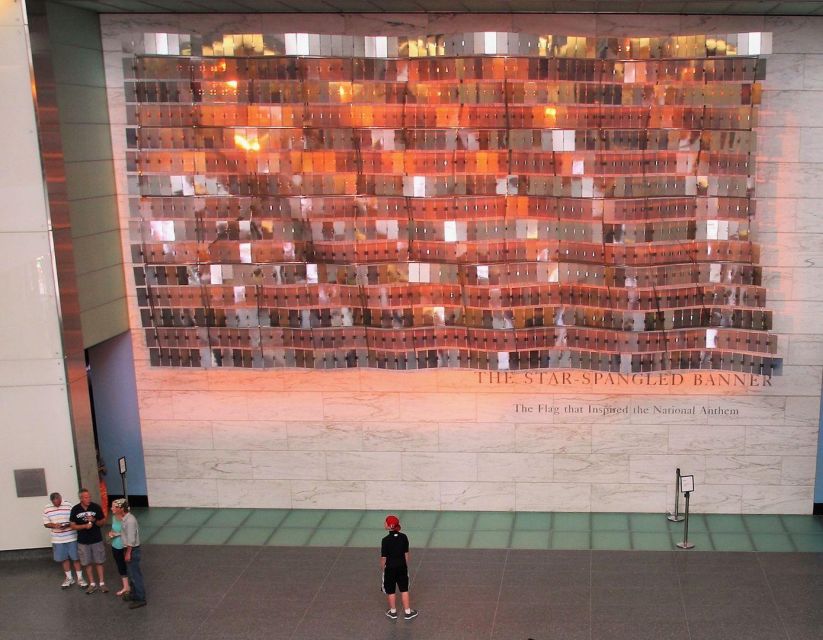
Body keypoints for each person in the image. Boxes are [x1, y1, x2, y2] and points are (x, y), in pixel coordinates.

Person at [42, 492, 87, 589]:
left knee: (76, 558)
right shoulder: (47, 508)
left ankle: (80, 578)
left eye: (58, 502)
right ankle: (69, 578)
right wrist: (54, 525)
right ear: (51, 501)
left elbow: (74, 519)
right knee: (64, 559)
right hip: (57, 539)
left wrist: (67, 525)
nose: (56, 505)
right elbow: (46, 524)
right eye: (55, 503)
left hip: (71, 537)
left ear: (60, 498)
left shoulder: (68, 505)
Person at [70, 488, 107, 594]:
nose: (89, 499)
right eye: (86, 497)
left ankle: (102, 583)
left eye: (89, 496)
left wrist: (95, 520)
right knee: (87, 563)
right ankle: (92, 584)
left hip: (96, 539)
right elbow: (72, 526)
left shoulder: (96, 507)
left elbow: (102, 523)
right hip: (83, 541)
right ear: (81, 498)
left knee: (99, 561)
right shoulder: (75, 509)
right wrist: (84, 526)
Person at [380, 515, 418, 621]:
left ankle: (393, 612)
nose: (384, 524)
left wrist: (383, 567)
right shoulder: (404, 537)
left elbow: (383, 557)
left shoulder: (385, 540)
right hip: (402, 567)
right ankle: (408, 612)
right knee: (404, 589)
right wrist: (404, 565)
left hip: (390, 568)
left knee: (391, 590)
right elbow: (406, 554)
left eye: (385, 522)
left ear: (389, 526)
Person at [119, 500, 146, 609]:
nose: (113, 509)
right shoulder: (126, 519)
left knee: (135, 575)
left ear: (121, 509)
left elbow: (131, 539)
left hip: (132, 550)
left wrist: (128, 553)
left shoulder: (129, 521)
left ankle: (141, 598)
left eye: (116, 507)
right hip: (130, 549)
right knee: (132, 574)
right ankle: (134, 594)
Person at [108, 499, 130, 597]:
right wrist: (111, 532)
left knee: (129, 566)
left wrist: (118, 534)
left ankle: (133, 585)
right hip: (115, 545)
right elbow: (114, 528)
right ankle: (126, 586)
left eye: (113, 507)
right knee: (120, 566)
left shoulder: (127, 518)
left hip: (125, 546)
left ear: (119, 508)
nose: (111, 508)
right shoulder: (113, 517)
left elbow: (131, 533)